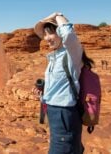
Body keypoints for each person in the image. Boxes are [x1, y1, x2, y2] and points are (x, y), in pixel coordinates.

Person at [33, 12, 89, 154]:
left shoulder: (71, 53)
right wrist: (43, 94)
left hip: (64, 113)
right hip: (55, 112)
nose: (47, 38)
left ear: (59, 32)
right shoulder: (55, 56)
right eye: (44, 35)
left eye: (50, 33)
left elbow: (69, 35)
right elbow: (59, 88)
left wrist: (57, 14)